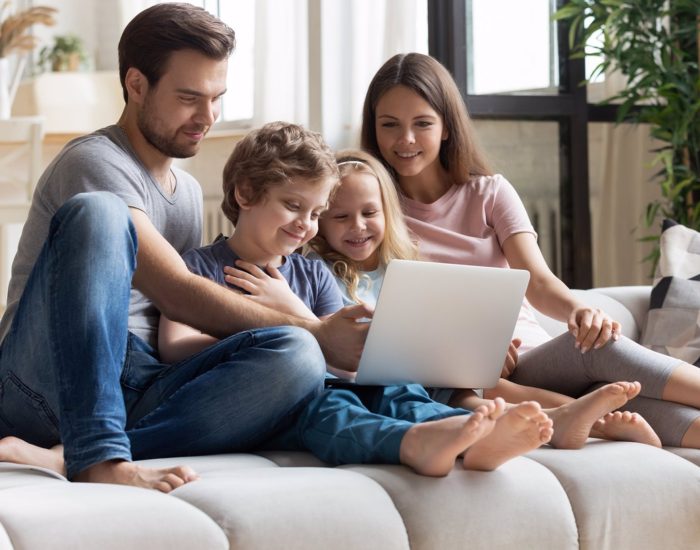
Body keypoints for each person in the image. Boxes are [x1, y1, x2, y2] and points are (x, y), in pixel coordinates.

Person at [0, 3, 366, 493]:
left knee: (296, 356)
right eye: (190, 97)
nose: (208, 117)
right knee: (101, 211)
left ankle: (70, 453)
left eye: (218, 98)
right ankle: (98, 458)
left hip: (139, 383)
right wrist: (316, 328)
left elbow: (177, 330)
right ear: (135, 85)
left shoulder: (188, 192)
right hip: (45, 380)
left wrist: (311, 340)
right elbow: (176, 292)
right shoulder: (94, 160)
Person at [162, 120, 558, 475]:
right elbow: (173, 346)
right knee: (331, 411)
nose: (306, 224)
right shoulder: (197, 268)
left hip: (330, 388)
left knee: (391, 387)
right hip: (267, 401)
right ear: (246, 194)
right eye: (293, 206)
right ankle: (421, 443)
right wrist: (276, 338)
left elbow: (349, 358)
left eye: (317, 212)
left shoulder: (312, 272)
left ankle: (466, 432)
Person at [359, 52, 700, 449]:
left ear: (447, 127)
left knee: (636, 391)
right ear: (374, 129)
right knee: (599, 353)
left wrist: (579, 311)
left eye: (422, 123)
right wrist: (472, 351)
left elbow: (538, 281)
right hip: (479, 378)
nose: (406, 140)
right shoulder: (369, 214)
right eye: (390, 125)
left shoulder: (489, 192)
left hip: (536, 356)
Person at [309, 148, 661, 449]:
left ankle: (582, 418)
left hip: (433, 376)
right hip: (379, 387)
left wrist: (478, 353)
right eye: (341, 217)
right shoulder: (320, 273)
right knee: (467, 392)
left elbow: (436, 331)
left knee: (482, 384)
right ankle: (587, 421)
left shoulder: (405, 268)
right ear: (320, 222)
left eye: (369, 213)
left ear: (388, 213)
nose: (358, 226)